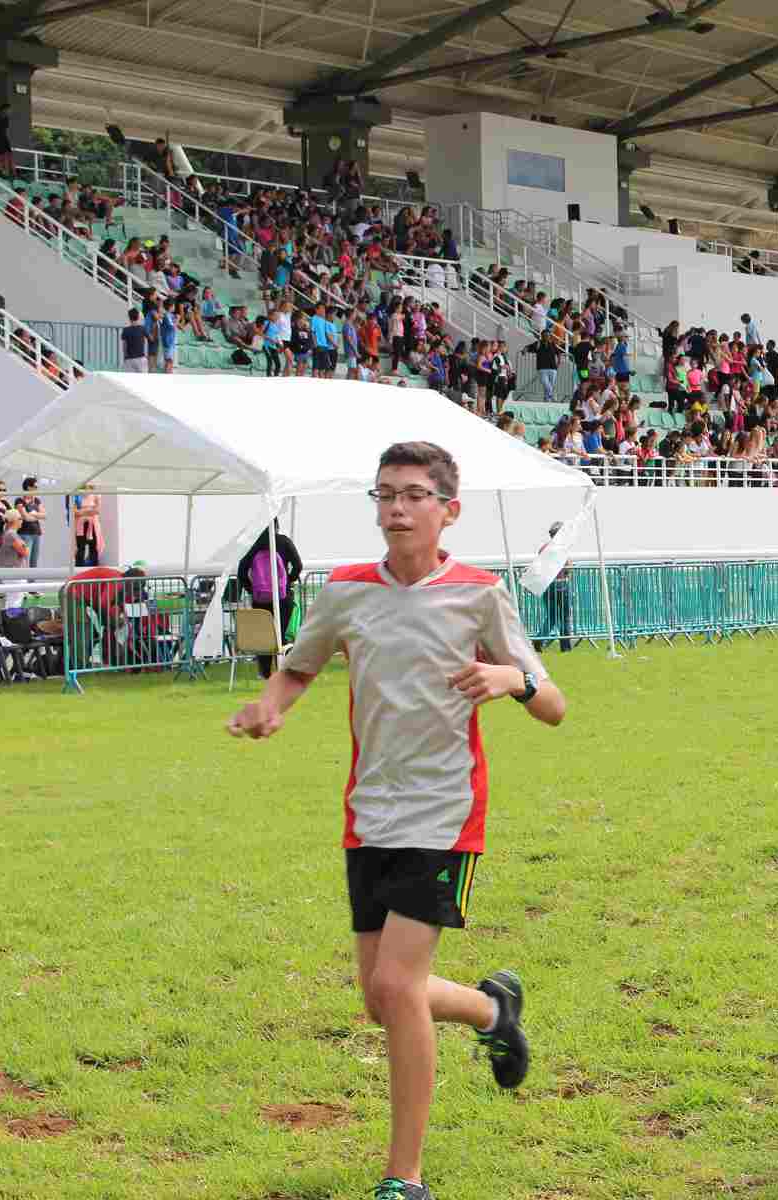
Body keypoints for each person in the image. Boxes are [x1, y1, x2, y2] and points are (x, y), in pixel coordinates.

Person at [227, 441, 566, 1200]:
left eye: (414, 495)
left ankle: (403, 1178)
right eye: (385, 495)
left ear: (449, 510)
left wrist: (512, 678)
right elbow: (299, 667)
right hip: (368, 812)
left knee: (398, 985)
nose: (397, 510)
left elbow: (552, 705)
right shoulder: (346, 591)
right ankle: (491, 1010)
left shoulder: (480, 594)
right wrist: (269, 707)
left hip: (446, 813)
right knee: (380, 998)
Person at [237, 521, 304, 680]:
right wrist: (287, 581)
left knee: (264, 636)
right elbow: (298, 566)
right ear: (276, 526)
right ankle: (284, 669)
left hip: (260, 599)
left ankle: (264, 672)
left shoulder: (253, 545)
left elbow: (241, 571)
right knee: (281, 634)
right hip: (282, 597)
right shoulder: (284, 541)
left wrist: (252, 589)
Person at [533, 521, 573, 652]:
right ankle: (565, 647)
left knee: (551, 616)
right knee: (564, 616)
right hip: (561, 584)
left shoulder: (543, 548)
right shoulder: (562, 548)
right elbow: (567, 567)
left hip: (547, 585)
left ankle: (538, 640)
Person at [15, 477, 45, 567]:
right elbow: (25, 517)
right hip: (25, 534)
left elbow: (44, 515)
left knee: (34, 561)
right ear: (28, 487)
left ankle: (33, 577)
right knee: (25, 560)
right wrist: (37, 515)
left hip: (36, 533)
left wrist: (33, 514)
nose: (37, 489)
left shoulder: (37, 500)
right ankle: (24, 576)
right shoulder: (19, 500)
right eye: (35, 487)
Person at [73, 484, 103, 566]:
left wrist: (83, 511)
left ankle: (94, 569)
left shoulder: (96, 495)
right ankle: (79, 570)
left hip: (93, 525)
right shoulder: (77, 495)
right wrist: (89, 511)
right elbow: (75, 512)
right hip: (80, 526)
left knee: (94, 548)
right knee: (80, 549)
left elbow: (97, 510)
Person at [120, 308, 149, 373]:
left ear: (129, 318)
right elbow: (150, 339)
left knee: (129, 378)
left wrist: (125, 358)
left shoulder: (125, 330)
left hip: (129, 359)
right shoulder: (142, 329)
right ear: (138, 317)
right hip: (141, 358)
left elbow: (124, 346)